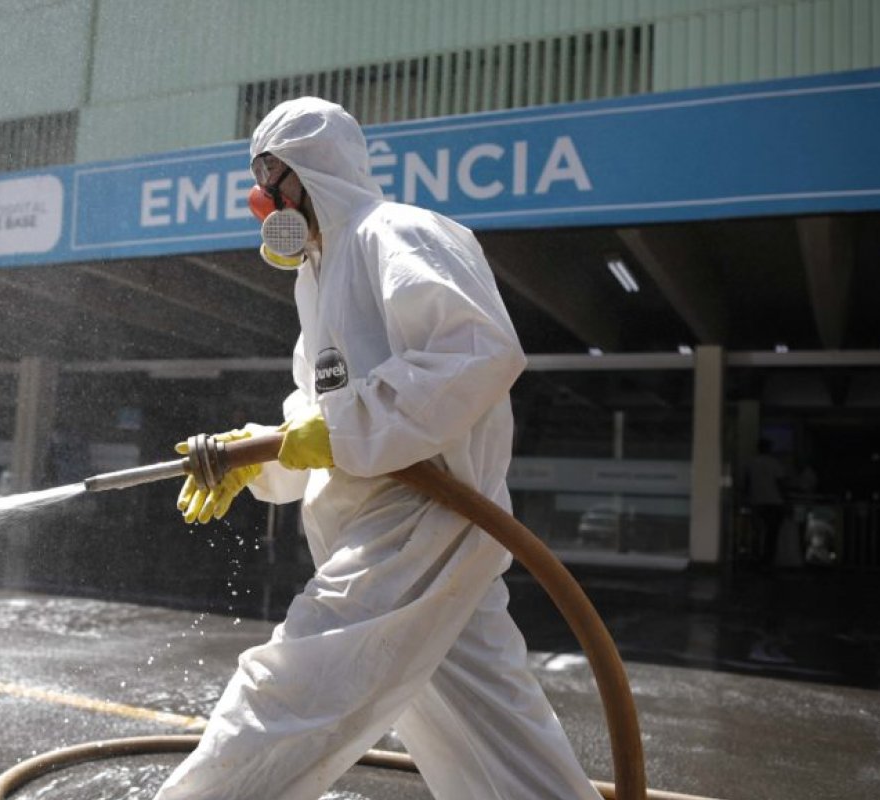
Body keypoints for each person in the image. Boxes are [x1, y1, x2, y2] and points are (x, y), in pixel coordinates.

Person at [157, 98, 598, 800]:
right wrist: (255, 459)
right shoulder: (318, 275)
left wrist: (332, 433)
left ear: (311, 170)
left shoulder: (397, 233)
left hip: (417, 525)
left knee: (287, 696)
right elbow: (314, 413)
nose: (262, 197)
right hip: (386, 530)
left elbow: (477, 350)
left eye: (272, 176)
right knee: (494, 740)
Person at [743, 438, 789, 567]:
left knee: (756, 532)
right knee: (771, 534)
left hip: (756, 501)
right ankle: (768, 560)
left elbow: (747, 483)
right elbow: (780, 484)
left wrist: (746, 498)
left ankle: (754, 558)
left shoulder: (750, 463)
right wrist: (786, 501)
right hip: (774, 502)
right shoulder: (775, 463)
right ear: (769, 449)